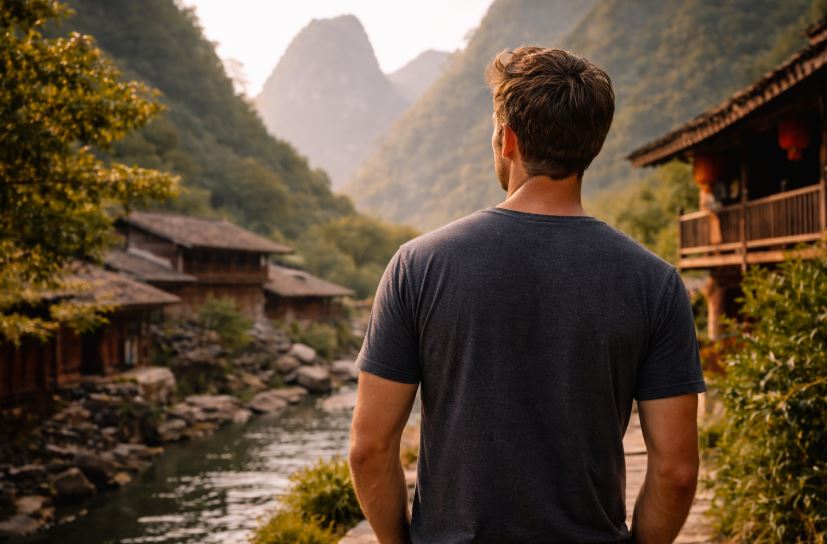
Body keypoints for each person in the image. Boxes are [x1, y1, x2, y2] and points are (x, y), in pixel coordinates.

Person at [348, 47, 705, 544]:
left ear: (508, 139)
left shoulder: (418, 266)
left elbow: (369, 448)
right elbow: (676, 471)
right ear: (592, 145)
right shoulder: (655, 283)